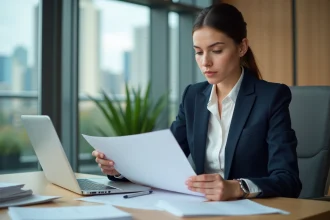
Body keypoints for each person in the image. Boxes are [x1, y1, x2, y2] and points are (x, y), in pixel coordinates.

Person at [92, 3, 301, 201]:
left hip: (255, 211)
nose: (205, 62)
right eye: (198, 52)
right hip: (200, 209)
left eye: (216, 50)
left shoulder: (271, 97)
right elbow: (162, 161)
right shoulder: (193, 96)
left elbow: (288, 180)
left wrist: (238, 187)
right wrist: (120, 169)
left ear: (241, 47)